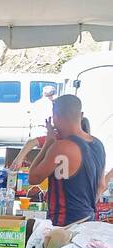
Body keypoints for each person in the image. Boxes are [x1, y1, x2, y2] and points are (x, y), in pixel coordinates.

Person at [26, 94, 107, 226]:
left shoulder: (61, 147)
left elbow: (33, 178)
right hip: (88, 219)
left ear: (56, 117)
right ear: (80, 115)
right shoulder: (98, 144)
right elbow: (101, 185)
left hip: (64, 222)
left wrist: (48, 143)